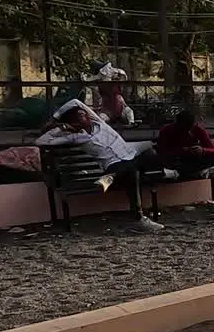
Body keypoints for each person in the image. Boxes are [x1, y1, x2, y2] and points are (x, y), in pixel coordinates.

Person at [35, 99, 174, 233]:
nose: (85, 116)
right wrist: (62, 127)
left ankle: (109, 180)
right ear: (74, 122)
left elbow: (75, 101)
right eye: (79, 117)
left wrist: (54, 118)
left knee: (149, 151)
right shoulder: (77, 137)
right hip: (114, 165)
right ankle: (138, 218)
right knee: (131, 171)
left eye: (84, 114)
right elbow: (41, 141)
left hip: (129, 157)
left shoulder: (99, 123)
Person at [156, 109, 214, 177]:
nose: (186, 131)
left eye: (189, 128)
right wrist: (181, 150)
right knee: (165, 161)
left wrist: (202, 150)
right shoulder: (166, 131)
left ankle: (186, 171)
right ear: (177, 124)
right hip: (176, 159)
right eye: (183, 129)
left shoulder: (198, 129)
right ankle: (192, 171)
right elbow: (161, 151)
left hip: (193, 158)